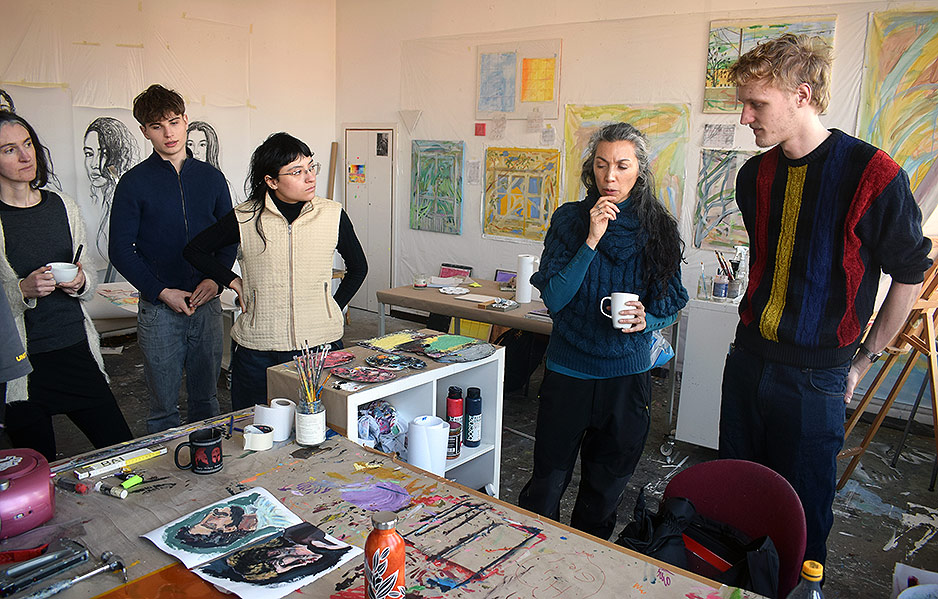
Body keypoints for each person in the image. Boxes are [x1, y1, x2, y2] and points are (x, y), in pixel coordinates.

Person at [720, 33, 932, 566]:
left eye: (756, 103)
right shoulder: (754, 176)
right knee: (735, 502)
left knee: (803, 519)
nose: (745, 117)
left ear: (802, 94)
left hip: (816, 380)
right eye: (743, 103)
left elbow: (909, 273)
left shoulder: (874, 174)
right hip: (747, 362)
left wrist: (863, 360)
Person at [517, 122, 688, 540]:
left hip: (626, 379)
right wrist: (592, 239)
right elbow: (555, 297)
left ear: (640, 170)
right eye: (601, 164)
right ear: (590, 168)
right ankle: (532, 559)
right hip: (568, 373)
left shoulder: (658, 228)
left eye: (622, 166)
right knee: (545, 486)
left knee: (604, 494)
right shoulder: (569, 220)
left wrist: (649, 320)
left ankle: (584, 565)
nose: (610, 176)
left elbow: (672, 302)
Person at [184, 132, 367, 410]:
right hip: (258, 349)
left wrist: (332, 307)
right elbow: (194, 250)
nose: (310, 177)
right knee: (254, 423)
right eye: (297, 171)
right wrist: (233, 282)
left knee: (322, 423)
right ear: (271, 181)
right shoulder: (245, 216)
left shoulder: (332, 214)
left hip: (320, 347)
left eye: (311, 167)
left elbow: (359, 267)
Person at [0, 111, 132, 460]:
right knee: (37, 471)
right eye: (9, 150)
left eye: (27, 144)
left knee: (122, 449)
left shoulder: (62, 206)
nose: (25, 156)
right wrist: (21, 290)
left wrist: (81, 280)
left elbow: (85, 269)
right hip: (22, 366)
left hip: (74, 348)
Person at [110, 84, 235, 434]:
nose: (168, 133)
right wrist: (161, 291)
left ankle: (208, 461)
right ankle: (168, 464)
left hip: (206, 305)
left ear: (185, 121)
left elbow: (230, 238)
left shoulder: (212, 179)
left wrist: (215, 279)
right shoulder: (133, 183)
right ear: (144, 131)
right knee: (163, 409)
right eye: (157, 126)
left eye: (174, 122)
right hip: (159, 310)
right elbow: (120, 249)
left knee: (206, 401)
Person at [83, 117, 139, 261]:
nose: (94, 164)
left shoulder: (129, 193)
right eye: (89, 154)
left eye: (104, 154)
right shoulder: (92, 203)